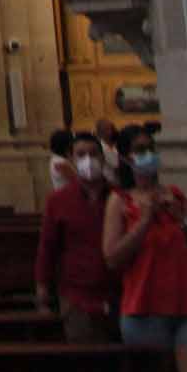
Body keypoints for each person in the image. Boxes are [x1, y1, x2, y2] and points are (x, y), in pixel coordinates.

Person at [102, 128, 187, 372]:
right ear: (125, 158)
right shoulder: (119, 200)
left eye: (151, 148)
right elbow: (112, 258)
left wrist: (183, 220)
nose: (148, 155)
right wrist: (144, 220)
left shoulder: (176, 195)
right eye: (140, 150)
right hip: (144, 308)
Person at [35, 129, 117, 342]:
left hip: (118, 292)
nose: (88, 160)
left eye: (93, 154)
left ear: (102, 157)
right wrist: (42, 290)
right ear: (72, 158)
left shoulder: (118, 197)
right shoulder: (58, 201)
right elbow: (48, 246)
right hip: (76, 294)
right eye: (81, 155)